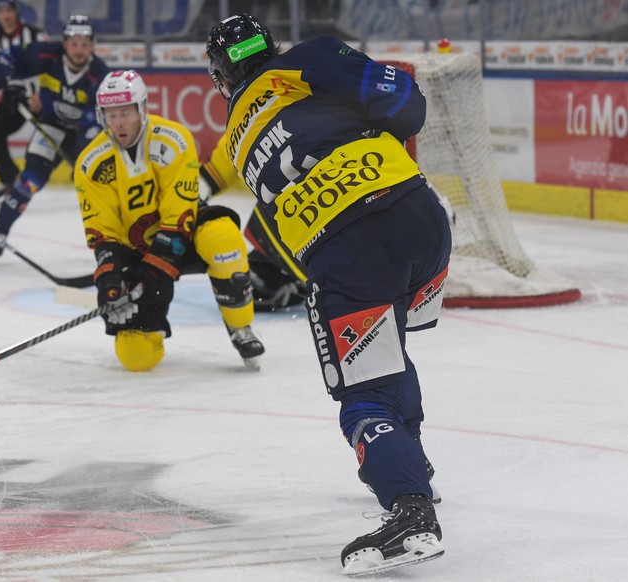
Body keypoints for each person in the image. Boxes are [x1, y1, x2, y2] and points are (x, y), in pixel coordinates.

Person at [206, 14, 452, 576]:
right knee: (386, 353)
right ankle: (411, 469)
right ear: (268, 46)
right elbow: (405, 102)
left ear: (222, 81)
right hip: (423, 222)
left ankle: (411, 508)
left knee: (364, 392)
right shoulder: (305, 60)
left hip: (349, 250)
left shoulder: (238, 137)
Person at [74, 70, 265, 371]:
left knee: (222, 238)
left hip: (184, 234)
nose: (119, 122)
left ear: (142, 108)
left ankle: (240, 326)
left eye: (125, 112)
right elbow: (102, 231)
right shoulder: (91, 162)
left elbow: (179, 218)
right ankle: (147, 327)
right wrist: (111, 280)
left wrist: (156, 271)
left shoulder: (173, 140)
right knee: (135, 358)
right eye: (111, 114)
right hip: (136, 250)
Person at [0, 14, 109, 262]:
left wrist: (82, 159)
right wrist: (10, 84)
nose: (79, 50)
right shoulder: (46, 55)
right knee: (30, 180)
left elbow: (95, 121)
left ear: (93, 46)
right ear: (64, 43)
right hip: (51, 125)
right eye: (74, 43)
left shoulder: (100, 74)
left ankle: (110, 247)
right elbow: (5, 58)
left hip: (84, 133)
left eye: (85, 44)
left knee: (97, 188)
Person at [199, 132, 307, 311]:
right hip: (304, 211)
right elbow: (214, 173)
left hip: (326, 208)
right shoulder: (248, 124)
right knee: (248, 281)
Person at [0, 0, 48, 204]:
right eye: (1, 12)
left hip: (39, 97)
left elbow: (49, 65)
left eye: (9, 10)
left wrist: (40, 93)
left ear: (16, 11)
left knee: (57, 133)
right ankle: (10, 180)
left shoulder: (36, 34)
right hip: (13, 97)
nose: (6, 16)